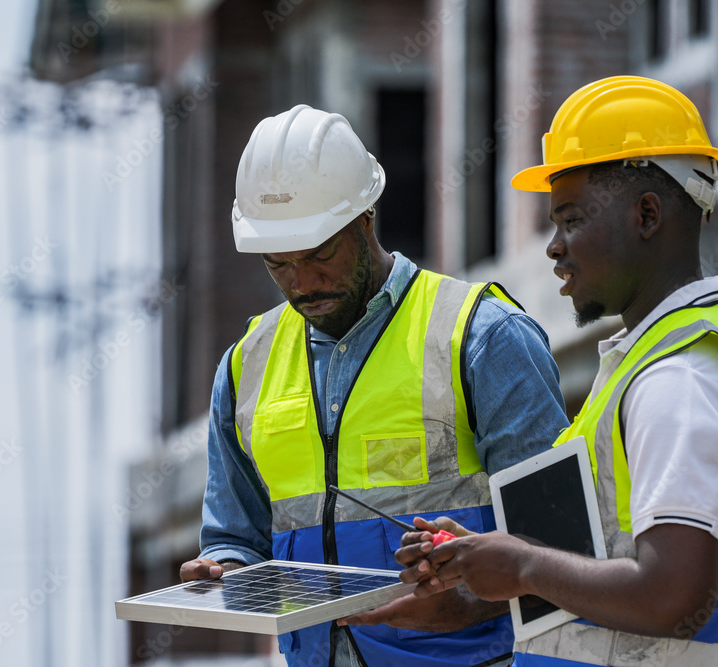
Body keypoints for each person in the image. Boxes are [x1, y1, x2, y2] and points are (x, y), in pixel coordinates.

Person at [178, 104, 569, 666]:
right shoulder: (246, 366)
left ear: (366, 218)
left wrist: (463, 603)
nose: (302, 284)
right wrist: (225, 572)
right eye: (277, 264)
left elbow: (564, 548)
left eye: (320, 255)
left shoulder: (481, 338)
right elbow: (236, 536)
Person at [395, 76, 718, 666]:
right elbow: (608, 564)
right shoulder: (648, 363)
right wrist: (494, 561)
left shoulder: (674, 381)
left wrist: (524, 564)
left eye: (570, 219)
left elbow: (673, 595)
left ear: (647, 214)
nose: (553, 247)